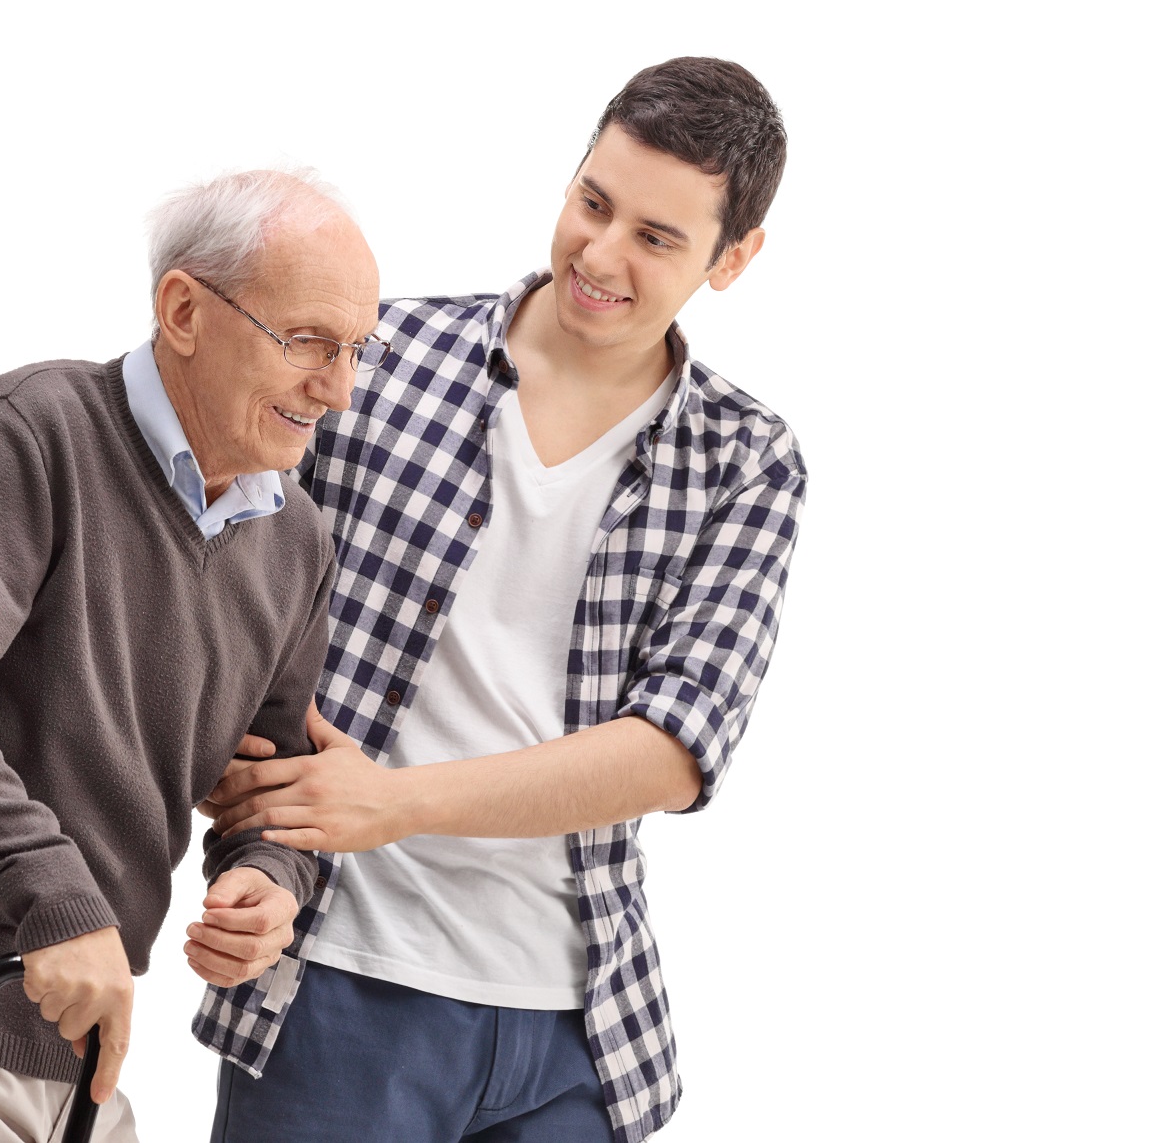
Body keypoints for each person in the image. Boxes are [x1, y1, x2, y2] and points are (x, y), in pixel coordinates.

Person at [194, 58, 807, 1142]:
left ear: (734, 258)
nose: (600, 255)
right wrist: (248, 844)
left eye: (657, 238)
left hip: (577, 1033)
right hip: (338, 981)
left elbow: (674, 748)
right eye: (594, 202)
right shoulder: (378, 360)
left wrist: (399, 800)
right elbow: (223, 605)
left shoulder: (745, 461)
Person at [0, 169, 387, 1143]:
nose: (338, 387)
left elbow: (270, 778)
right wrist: (56, 895)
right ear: (184, 309)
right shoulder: (30, 433)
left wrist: (268, 879)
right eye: (306, 340)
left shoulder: (296, 538)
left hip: (74, 1058)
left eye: (355, 350)